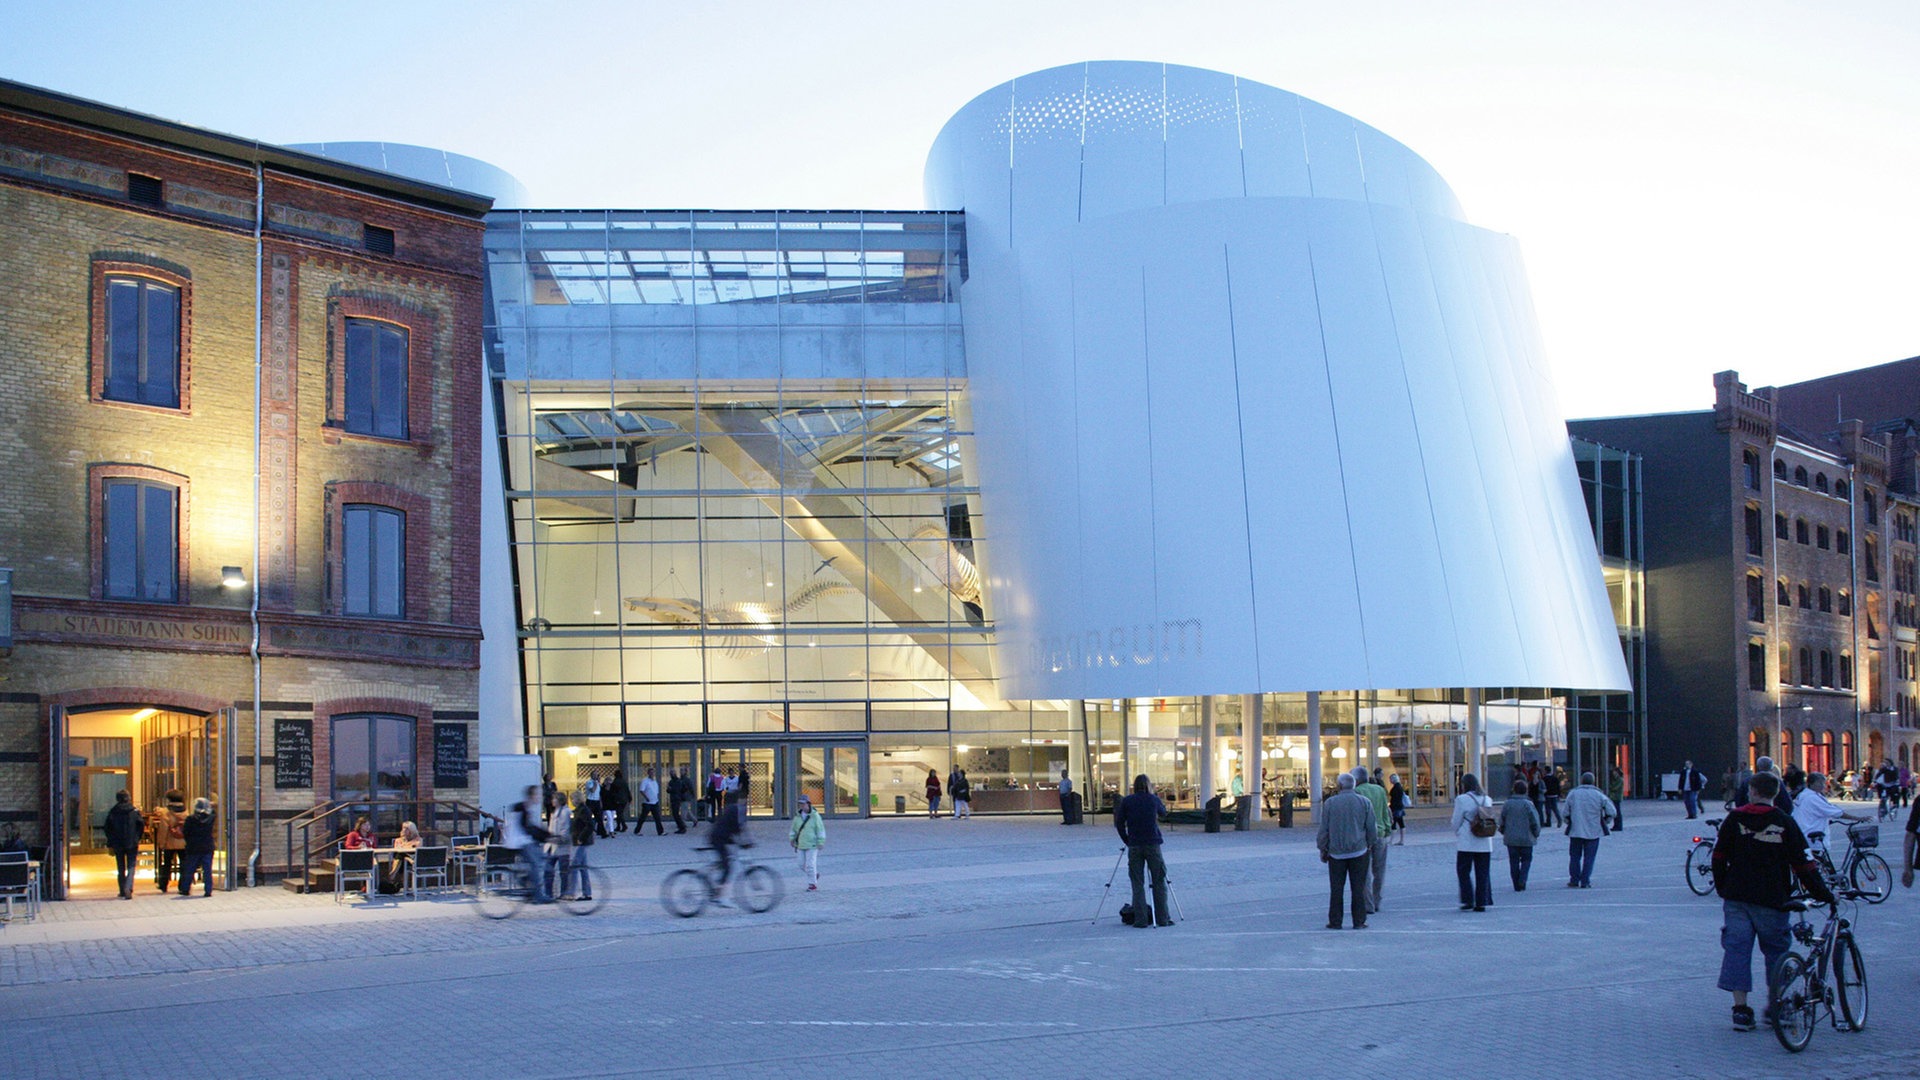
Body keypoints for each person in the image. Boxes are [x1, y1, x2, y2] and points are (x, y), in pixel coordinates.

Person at [1712, 770, 1834, 1031]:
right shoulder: (1784, 821)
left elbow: (1719, 856)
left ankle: (1740, 1010)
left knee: (1737, 950)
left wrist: (1723, 887)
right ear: (1776, 793)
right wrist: (1822, 894)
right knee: (1777, 952)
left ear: (1752, 792)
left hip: (1738, 897)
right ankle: (1777, 1004)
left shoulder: (1734, 819)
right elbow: (1803, 863)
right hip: (1772, 898)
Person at [1318, 772, 1375, 928]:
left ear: (1339, 786)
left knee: (1336, 889)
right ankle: (1359, 921)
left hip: (1336, 853)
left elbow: (1324, 829)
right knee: (1358, 888)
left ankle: (1335, 921)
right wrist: (1369, 844)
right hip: (1359, 851)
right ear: (1354, 785)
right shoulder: (1364, 802)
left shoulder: (1330, 803)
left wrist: (1322, 848)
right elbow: (1371, 828)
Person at [1116, 773, 1173, 928]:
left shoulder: (1127, 801)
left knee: (1137, 883)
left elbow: (1119, 823)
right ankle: (1162, 918)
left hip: (1134, 844)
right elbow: (1163, 813)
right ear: (1148, 785)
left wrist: (1126, 840)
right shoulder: (1153, 799)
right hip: (1153, 844)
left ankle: (1140, 919)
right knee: (1159, 881)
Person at [1791, 772, 1864, 866]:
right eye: (1820, 783)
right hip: (1811, 834)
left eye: (1824, 783)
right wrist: (1858, 818)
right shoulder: (1812, 797)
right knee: (1816, 863)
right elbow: (1834, 812)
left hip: (1803, 833)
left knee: (1816, 863)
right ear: (1812, 784)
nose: (1823, 786)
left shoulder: (1804, 795)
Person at [1450, 773, 1494, 911]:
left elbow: (1456, 820)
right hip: (1485, 841)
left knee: (1463, 871)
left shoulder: (1462, 799)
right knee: (1483, 872)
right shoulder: (1487, 799)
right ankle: (1482, 901)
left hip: (1467, 841)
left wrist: (1457, 831)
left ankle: (1468, 899)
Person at [708, 773, 751, 907]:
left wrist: (742, 841)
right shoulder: (735, 810)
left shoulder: (733, 809)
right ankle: (719, 897)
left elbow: (736, 829)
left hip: (720, 837)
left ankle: (716, 887)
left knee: (725, 861)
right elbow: (739, 829)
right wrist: (746, 843)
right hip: (719, 839)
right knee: (728, 867)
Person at [504, 784, 552, 904]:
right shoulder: (522, 808)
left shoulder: (524, 808)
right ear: (532, 796)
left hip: (521, 841)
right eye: (538, 795)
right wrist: (547, 837)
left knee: (538, 860)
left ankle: (526, 882)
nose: (539, 797)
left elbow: (531, 828)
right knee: (536, 864)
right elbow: (528, 828)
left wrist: (547, 836)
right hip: (519, 842)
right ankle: (537, 895)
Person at [1563, 771, 1611, 888]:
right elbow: (1612, 811)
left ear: (1581, 781)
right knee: (1589, 857)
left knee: (1574, 856)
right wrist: (1606, 820)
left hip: (1576, 830)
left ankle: (1574, 879)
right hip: (1593, 830)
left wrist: (1569, 821)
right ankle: (1585, 881)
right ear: (1593, 781)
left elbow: (1565, 812)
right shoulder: (1599, 795)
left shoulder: (1573, 794)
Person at [1352, 766, 1390, 913]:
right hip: (1380, 834)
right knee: (1379, 870)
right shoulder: (1380, 790)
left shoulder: (1357, 793)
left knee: (1365, 871)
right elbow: (1385, 812)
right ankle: (1377, 900)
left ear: (1356, 780)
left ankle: (1368, 904)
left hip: (1364, 837)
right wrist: (1387, 830)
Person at [1499, 779, 1541, 890]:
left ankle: (1516, 883)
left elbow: (1502, 819)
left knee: (1513, 861)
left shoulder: (1508, 803)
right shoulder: (1528, 804)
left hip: (1511, 838)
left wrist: (1503, 830)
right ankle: (1523, 879)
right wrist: (1536, 833)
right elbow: (1534, 821)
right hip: (1526, 838)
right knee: (1526, 860)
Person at [104, 789, 144, 900]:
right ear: (129, 798)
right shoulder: (134, 811)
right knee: (131, 866)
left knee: (120, 867)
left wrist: (111, 841)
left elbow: (107, 828)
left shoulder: (113, 812)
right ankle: (128, 887)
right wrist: (137, 838)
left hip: (118, 843)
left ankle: (122, 890)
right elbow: (140, 826)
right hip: (132, 842)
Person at [149, 789, 186, 893]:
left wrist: (161, 843)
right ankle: (183, 885)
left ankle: (163, 884)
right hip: (183, 842)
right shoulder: (186, 812)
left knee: (166, 864)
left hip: (170, 842)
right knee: (184, 863)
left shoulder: (166, 813)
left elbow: (163, 830)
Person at [178, 797, 216, 897]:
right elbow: (213, 812)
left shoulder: (190, 819)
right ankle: (208, 890)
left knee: (190, 868)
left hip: (193, 847)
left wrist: (189, 841)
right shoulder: (210, 818)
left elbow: (186, 832)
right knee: (207, 869)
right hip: (207, 846)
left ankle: (185, 888)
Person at [789, 793, 825, 890]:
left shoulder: (815, 816)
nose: (801, 806)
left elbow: (820, 829)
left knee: (810, 865)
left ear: (808, 804)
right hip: (801, 844)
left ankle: (812, 884)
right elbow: (794, 829)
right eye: (800, 804)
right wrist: (792, 839)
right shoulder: (797, 817)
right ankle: (814, 874)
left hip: (812, 844)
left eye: (803, 804)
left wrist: (821, 841)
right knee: (801, 864)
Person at [564, 790, 595, 900]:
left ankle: (571, 892)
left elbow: (590, 825)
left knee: (574, 867)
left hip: (581, 842)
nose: (571, 801)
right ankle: (587, 893)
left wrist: (581, 838)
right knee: (582, 868)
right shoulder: (579, 810)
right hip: (579, 841)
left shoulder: (583, 810)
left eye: (572, 799)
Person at [545, 790, 575, 900]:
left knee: (563, 872)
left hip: (561, 846)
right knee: (548, 870)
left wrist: (557, 839)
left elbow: (564, 829)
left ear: (559, 800)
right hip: (552, 845)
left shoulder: (565, 812)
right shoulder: (555, 812)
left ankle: (564, 893)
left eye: (554, 799)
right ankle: (548, 893)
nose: (552, 801)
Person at [383, 820, 422, 894]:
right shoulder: (398, 839)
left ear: (411, 830)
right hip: (404, 861)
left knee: (401, 856)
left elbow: (416, 848)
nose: (404, 830)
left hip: (414, 862)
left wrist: (404, 846)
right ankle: (396, 876)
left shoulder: (418, 839)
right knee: (401, 856)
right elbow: (397, 849)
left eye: (406, 828)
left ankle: (392, 875)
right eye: (403, 828)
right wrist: (404, 841)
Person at [636, 767, 664, 836]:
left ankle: (660, 832)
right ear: (648, 773)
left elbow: (656, 792)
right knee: (643, 817)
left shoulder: (655, 782)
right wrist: (646, 798)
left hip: (655, 802)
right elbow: (641, 790)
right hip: (647, 803)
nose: (652, 774)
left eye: (653, 772)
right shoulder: (645, 781)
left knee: (657, 818)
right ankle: (637, 830)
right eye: (651, 772)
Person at [604, 770, 632, 834]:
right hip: (624, 799)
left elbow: (612, 791)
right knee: (620, 812)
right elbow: (627, 790)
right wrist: (629, 798)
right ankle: (619, 826)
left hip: (618, 799)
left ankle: (623, 825)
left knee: (619, 813)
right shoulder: (624, 781)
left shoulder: (615, 782)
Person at [670, 765, 693, 833]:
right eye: (680, 770)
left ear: (685, 772)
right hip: (681, 797)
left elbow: (689, 788)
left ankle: (682, 826)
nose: (680, 771)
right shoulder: (679, 780)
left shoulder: (686, 780)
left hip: (685, 798)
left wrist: (691, 795)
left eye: (682, 770)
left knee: (683, 812)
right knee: (686, 811)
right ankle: (694, 820)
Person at [581, 774, 606, 839]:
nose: (597, 777)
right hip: (590, 801)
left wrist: (600, 802)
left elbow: (599, 793)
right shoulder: (589, 782)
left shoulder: (598, 783)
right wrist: (595, 784)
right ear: (592, 776)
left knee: (599, 818)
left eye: (598, 775)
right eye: (596, 775)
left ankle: (602, 832)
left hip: (596, 801)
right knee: (588, 818)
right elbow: (592, 790)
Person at [1387, 773, 1408, 844]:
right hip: (1400, 807)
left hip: (1395, 808)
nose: (1390, 781)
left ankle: (1391, 840)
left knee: (1393, 823)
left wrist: (1390, 807)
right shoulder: (1400, 787)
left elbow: (1394, 799)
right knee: (1401, 823)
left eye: (1390, 779)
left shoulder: (1395, 788)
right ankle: (1402, 840)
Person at [1607, 766, 1626, 831]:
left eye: (1614, 772)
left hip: (1616, 797)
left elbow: (1614, 787)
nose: (1613, 773)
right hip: (1614, 797)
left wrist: (1610, 787)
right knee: (1616, 812)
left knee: (1617, 812)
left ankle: (1618, 826)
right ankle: (1616, 825)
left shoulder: (1620, 779)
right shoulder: (1616, 779)